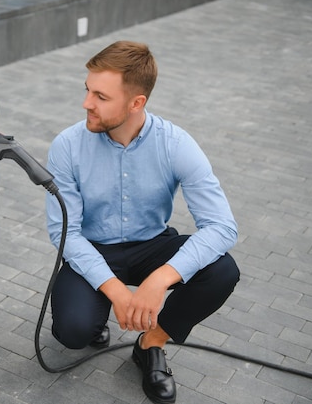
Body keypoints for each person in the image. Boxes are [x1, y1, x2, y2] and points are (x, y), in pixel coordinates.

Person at [45, 40, 240, 404]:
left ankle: (150, 343)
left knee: (223, 270)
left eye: (101, 97)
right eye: (88, 90)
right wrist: (118, 292)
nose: (86, 103)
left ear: (136, 103)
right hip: (94, 246)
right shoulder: (67, 146)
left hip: (152, 244)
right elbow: (64, 232)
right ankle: (96, 315)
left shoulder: (176, 144)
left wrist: (161, 278)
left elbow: (222, 226)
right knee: (72, 332)